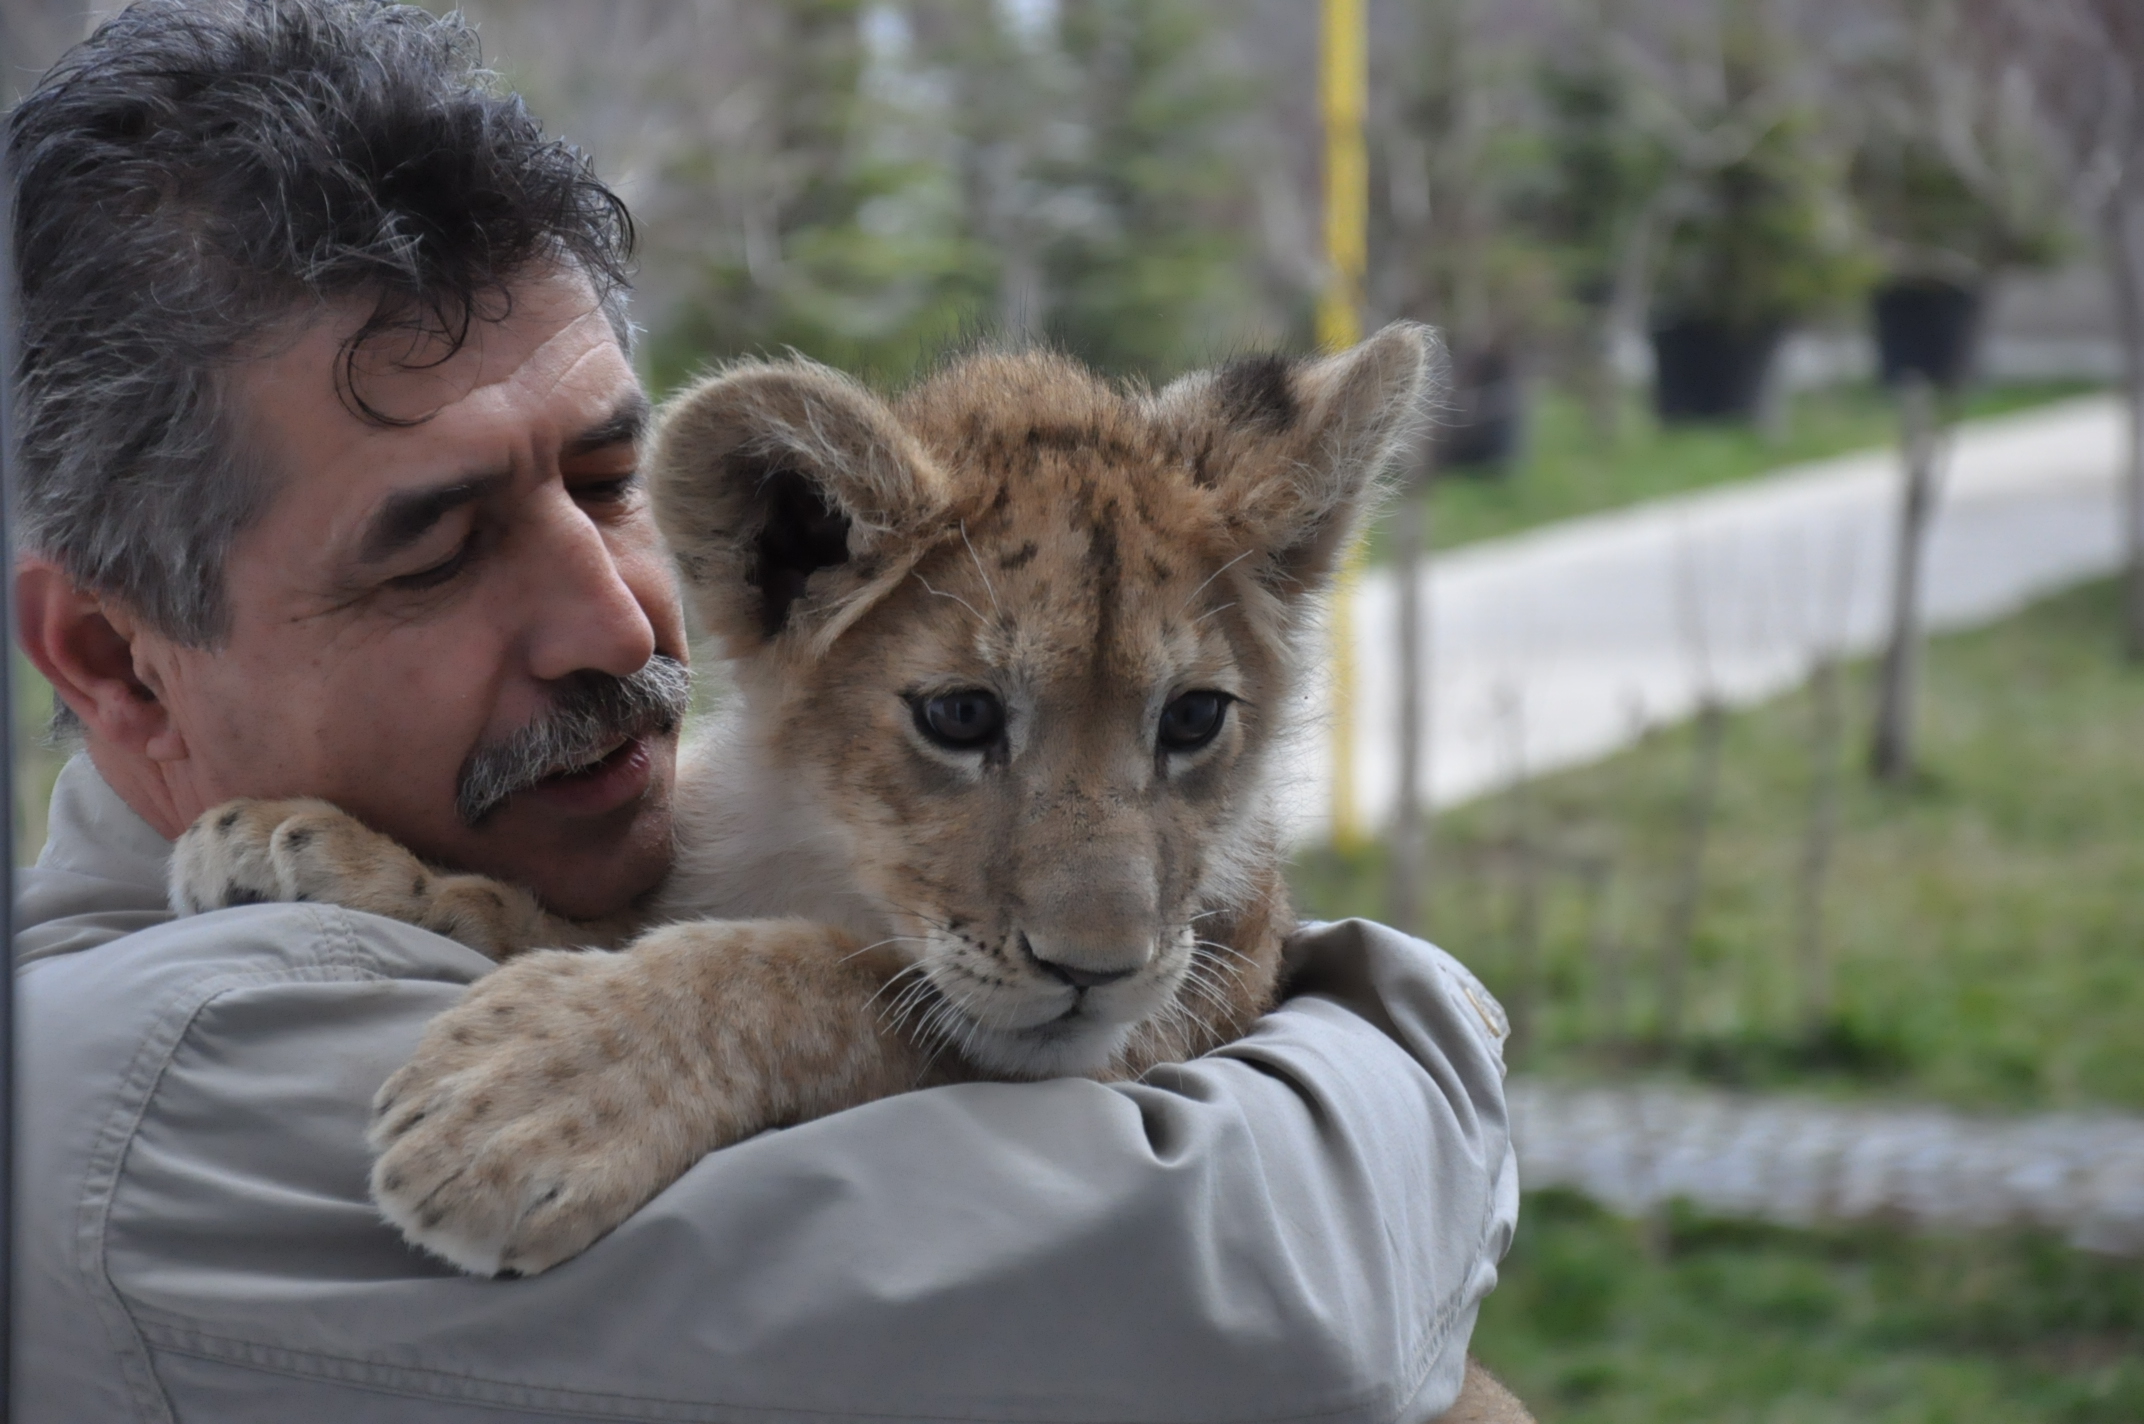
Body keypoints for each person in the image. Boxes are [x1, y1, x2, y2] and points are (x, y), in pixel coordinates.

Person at [6, 2, 1520, 1420]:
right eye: (437, 552)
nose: (622, 620)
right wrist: (1420, 1040)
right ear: (118, 664)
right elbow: (1280, 1301)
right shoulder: (143, 1112)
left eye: (610, 482)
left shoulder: (554, 864)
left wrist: (501, 932)